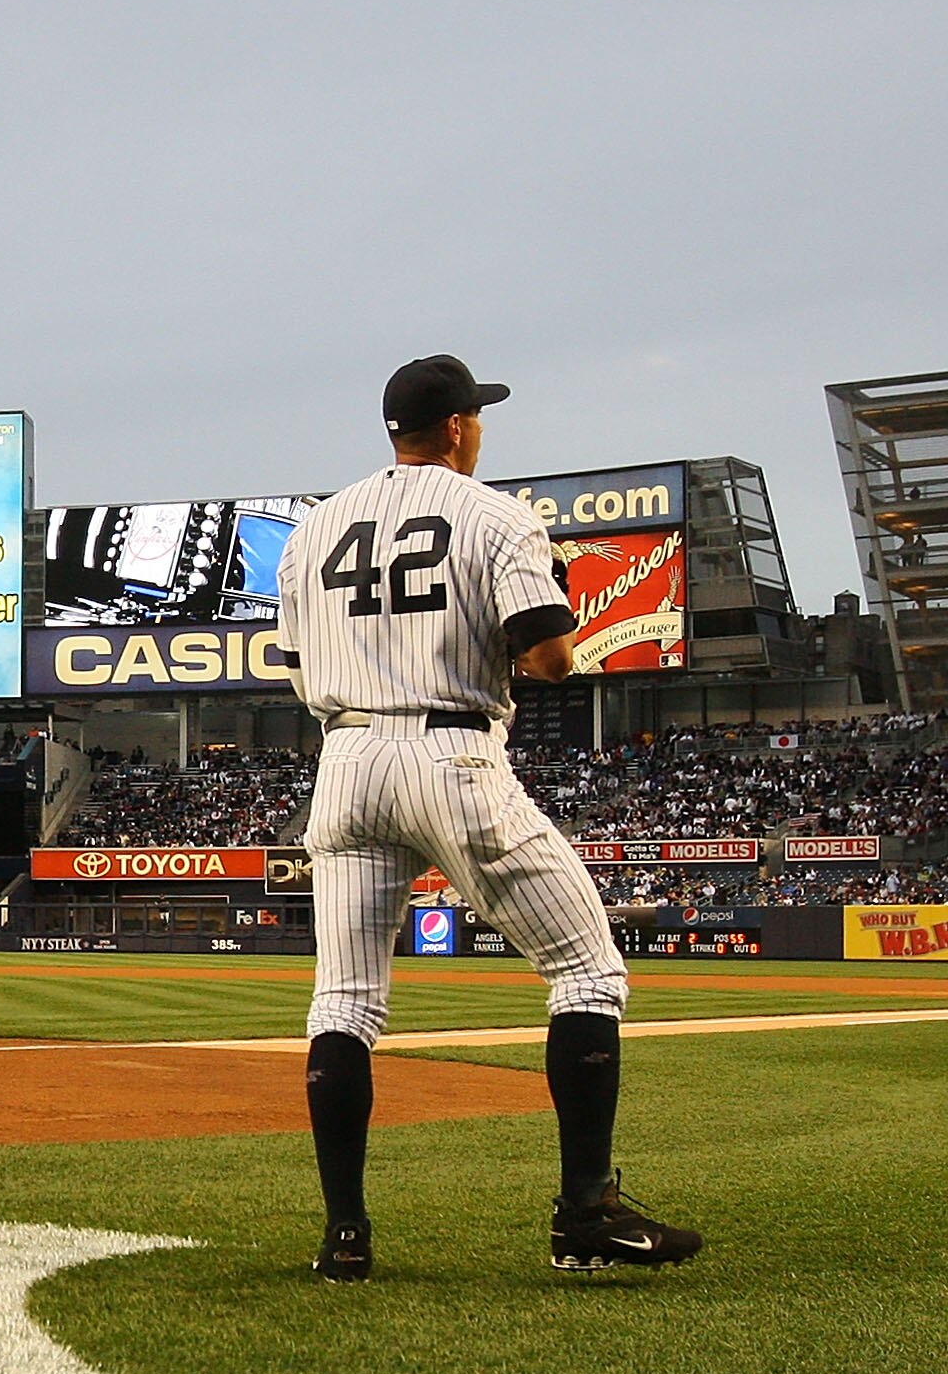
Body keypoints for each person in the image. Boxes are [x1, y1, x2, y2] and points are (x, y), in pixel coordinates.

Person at [274, 355, 702, 1282]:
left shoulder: (313, 529)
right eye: (478, 417)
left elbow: (298, 667)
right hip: (451, 753)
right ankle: (585, 1211)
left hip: (345, 760)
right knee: (587, 969)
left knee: (343, 1002)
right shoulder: (499, 514)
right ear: (461, 427)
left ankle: (344, 1236)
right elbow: (548, 659)